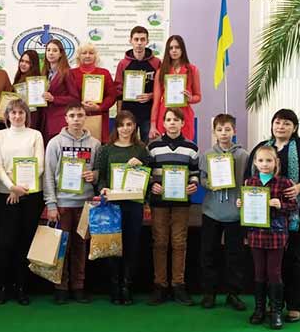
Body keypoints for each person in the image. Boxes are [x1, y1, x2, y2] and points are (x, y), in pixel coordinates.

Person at [245, 109, 300, 323]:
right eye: (278, 122)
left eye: (287, 123)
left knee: (292, 257)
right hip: (264, 215)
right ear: (272, 125)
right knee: (268, 263)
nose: (281, 127)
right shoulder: (262, 148)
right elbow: (248, 178)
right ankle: (271, 306)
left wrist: (297, 188)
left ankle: (294, 305)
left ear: (294, 127)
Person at [44, 102, 101, 304]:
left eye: (80, 115)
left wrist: (94, 175)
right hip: (63, 204)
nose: (76, 119)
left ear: (85, 118)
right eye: (72, 115)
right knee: (61, 247)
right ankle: (60, 287)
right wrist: (51, 204)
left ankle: (78, 287)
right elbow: (48, 175)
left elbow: (99, 172)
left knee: (80, 247)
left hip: (85, 204)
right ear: (66, 118)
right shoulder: (55, 143)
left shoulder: (95, 144)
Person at [0, 98, 45, 305]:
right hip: (4, 195)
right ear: (7, 115)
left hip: (30, 195)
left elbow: (39, 165)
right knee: (5, 243)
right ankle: (2, 287)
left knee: (24, 242)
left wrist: (21, 189)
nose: (17, 116)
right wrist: (11, 187)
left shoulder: (35, 135)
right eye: (13, 112)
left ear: (26, 115)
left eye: (21, 112)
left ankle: (21, 288)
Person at [238, 146, 298, 330]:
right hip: (256, 233)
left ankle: (276, 311)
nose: (265, 164)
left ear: (276, 163)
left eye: (269, 160)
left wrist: (280, 204)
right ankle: (259, 310)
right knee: (259, 272)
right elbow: (246, 208)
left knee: (274, 272)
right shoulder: (250, 182)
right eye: (261, 160)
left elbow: (293, 206)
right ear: (255, 163)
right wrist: (240, 203)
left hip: (276, 235)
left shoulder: (284, 183)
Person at [95, 110, 149, 305]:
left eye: (129, 124)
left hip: (134, 205)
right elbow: (100, 176)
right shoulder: (106, 149)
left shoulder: (141, 149)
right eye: (121, 125)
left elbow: (149, 175)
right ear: (116, 127)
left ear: (134, 126)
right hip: (113, 204)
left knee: (131, 246)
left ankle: (127, 286)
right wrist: (103, 189)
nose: (125, 129)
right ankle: (114, 286)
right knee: (113, 245)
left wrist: (141, 165)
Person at [147, 108, 199, 306]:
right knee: (160, 242)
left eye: (176, 120)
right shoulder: (154, 147)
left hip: (181, 203)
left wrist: (193, 184)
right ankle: (160, 285)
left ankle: (178, 285)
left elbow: (195, 172)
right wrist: (153, 184)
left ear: (183, 123)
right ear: (163, 123)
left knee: (179, 243)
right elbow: (147, 172)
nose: (172, 123)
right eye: (168, 120)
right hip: (159, 203)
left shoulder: (191, 147)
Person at [198, 114, 248, 311]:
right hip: (212, 211)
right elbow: (202, 178)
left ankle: (233, 293)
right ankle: (209, 293)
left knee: (235, 254)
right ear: (214, 132)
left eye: (228, 129)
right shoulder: (207, 154)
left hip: (235, 212)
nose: (224, 133)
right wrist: (210, 184)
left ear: (234, 131)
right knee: (208, 252)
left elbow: (249, 180)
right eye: (220, 130)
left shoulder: (243, 155)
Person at [149, 35, 201, 141]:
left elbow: (198, 96)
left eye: (177, 47)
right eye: (171, 48)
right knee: (164, 147)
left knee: (185, 146)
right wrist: (153, 125)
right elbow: (156, 101)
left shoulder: (192, 70)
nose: (174, 50)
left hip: (184, 115)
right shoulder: (161, 71)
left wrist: (191, 98)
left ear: (182, 49)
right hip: (165, 115)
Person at [114, 26, 161, 142]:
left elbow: (162, 88)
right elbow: (118, 91)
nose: (139, 43)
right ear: (130, 41)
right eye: (136, 39)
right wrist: (119, 114)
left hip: (148, 113)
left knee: (149, 145)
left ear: (147, 41)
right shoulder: (123, 63)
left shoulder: (156, 62)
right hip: (128, 112)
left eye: (142, 39)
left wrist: (151, 95)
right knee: (128, 144)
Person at [71, 43, 116, 143]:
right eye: (84, 53)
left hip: (99, 117)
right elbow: (68, 95)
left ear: (96, 56)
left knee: (98, 146)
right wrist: (80, 105)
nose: (87, 56)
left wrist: (99, 107)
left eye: (91, 53)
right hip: (77, 116)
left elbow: (112, 95)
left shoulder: (104, 73)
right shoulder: (71, 73)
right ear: (79, 56)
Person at [40, 39, 78, 144]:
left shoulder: (67, 72)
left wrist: (54, 99)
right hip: (45, 120)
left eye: (55, 50)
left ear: (61, 54)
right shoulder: (44, 73)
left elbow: (74, 98)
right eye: (48, 50)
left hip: (58, 120)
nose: (51, 53)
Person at [12, 49, 42, 129]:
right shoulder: (19, 77)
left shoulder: (36, 81)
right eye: (22, 61)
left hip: (30, 118)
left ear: (33, 65)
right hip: (19, 116)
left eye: (28, 62)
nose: (23, 64)